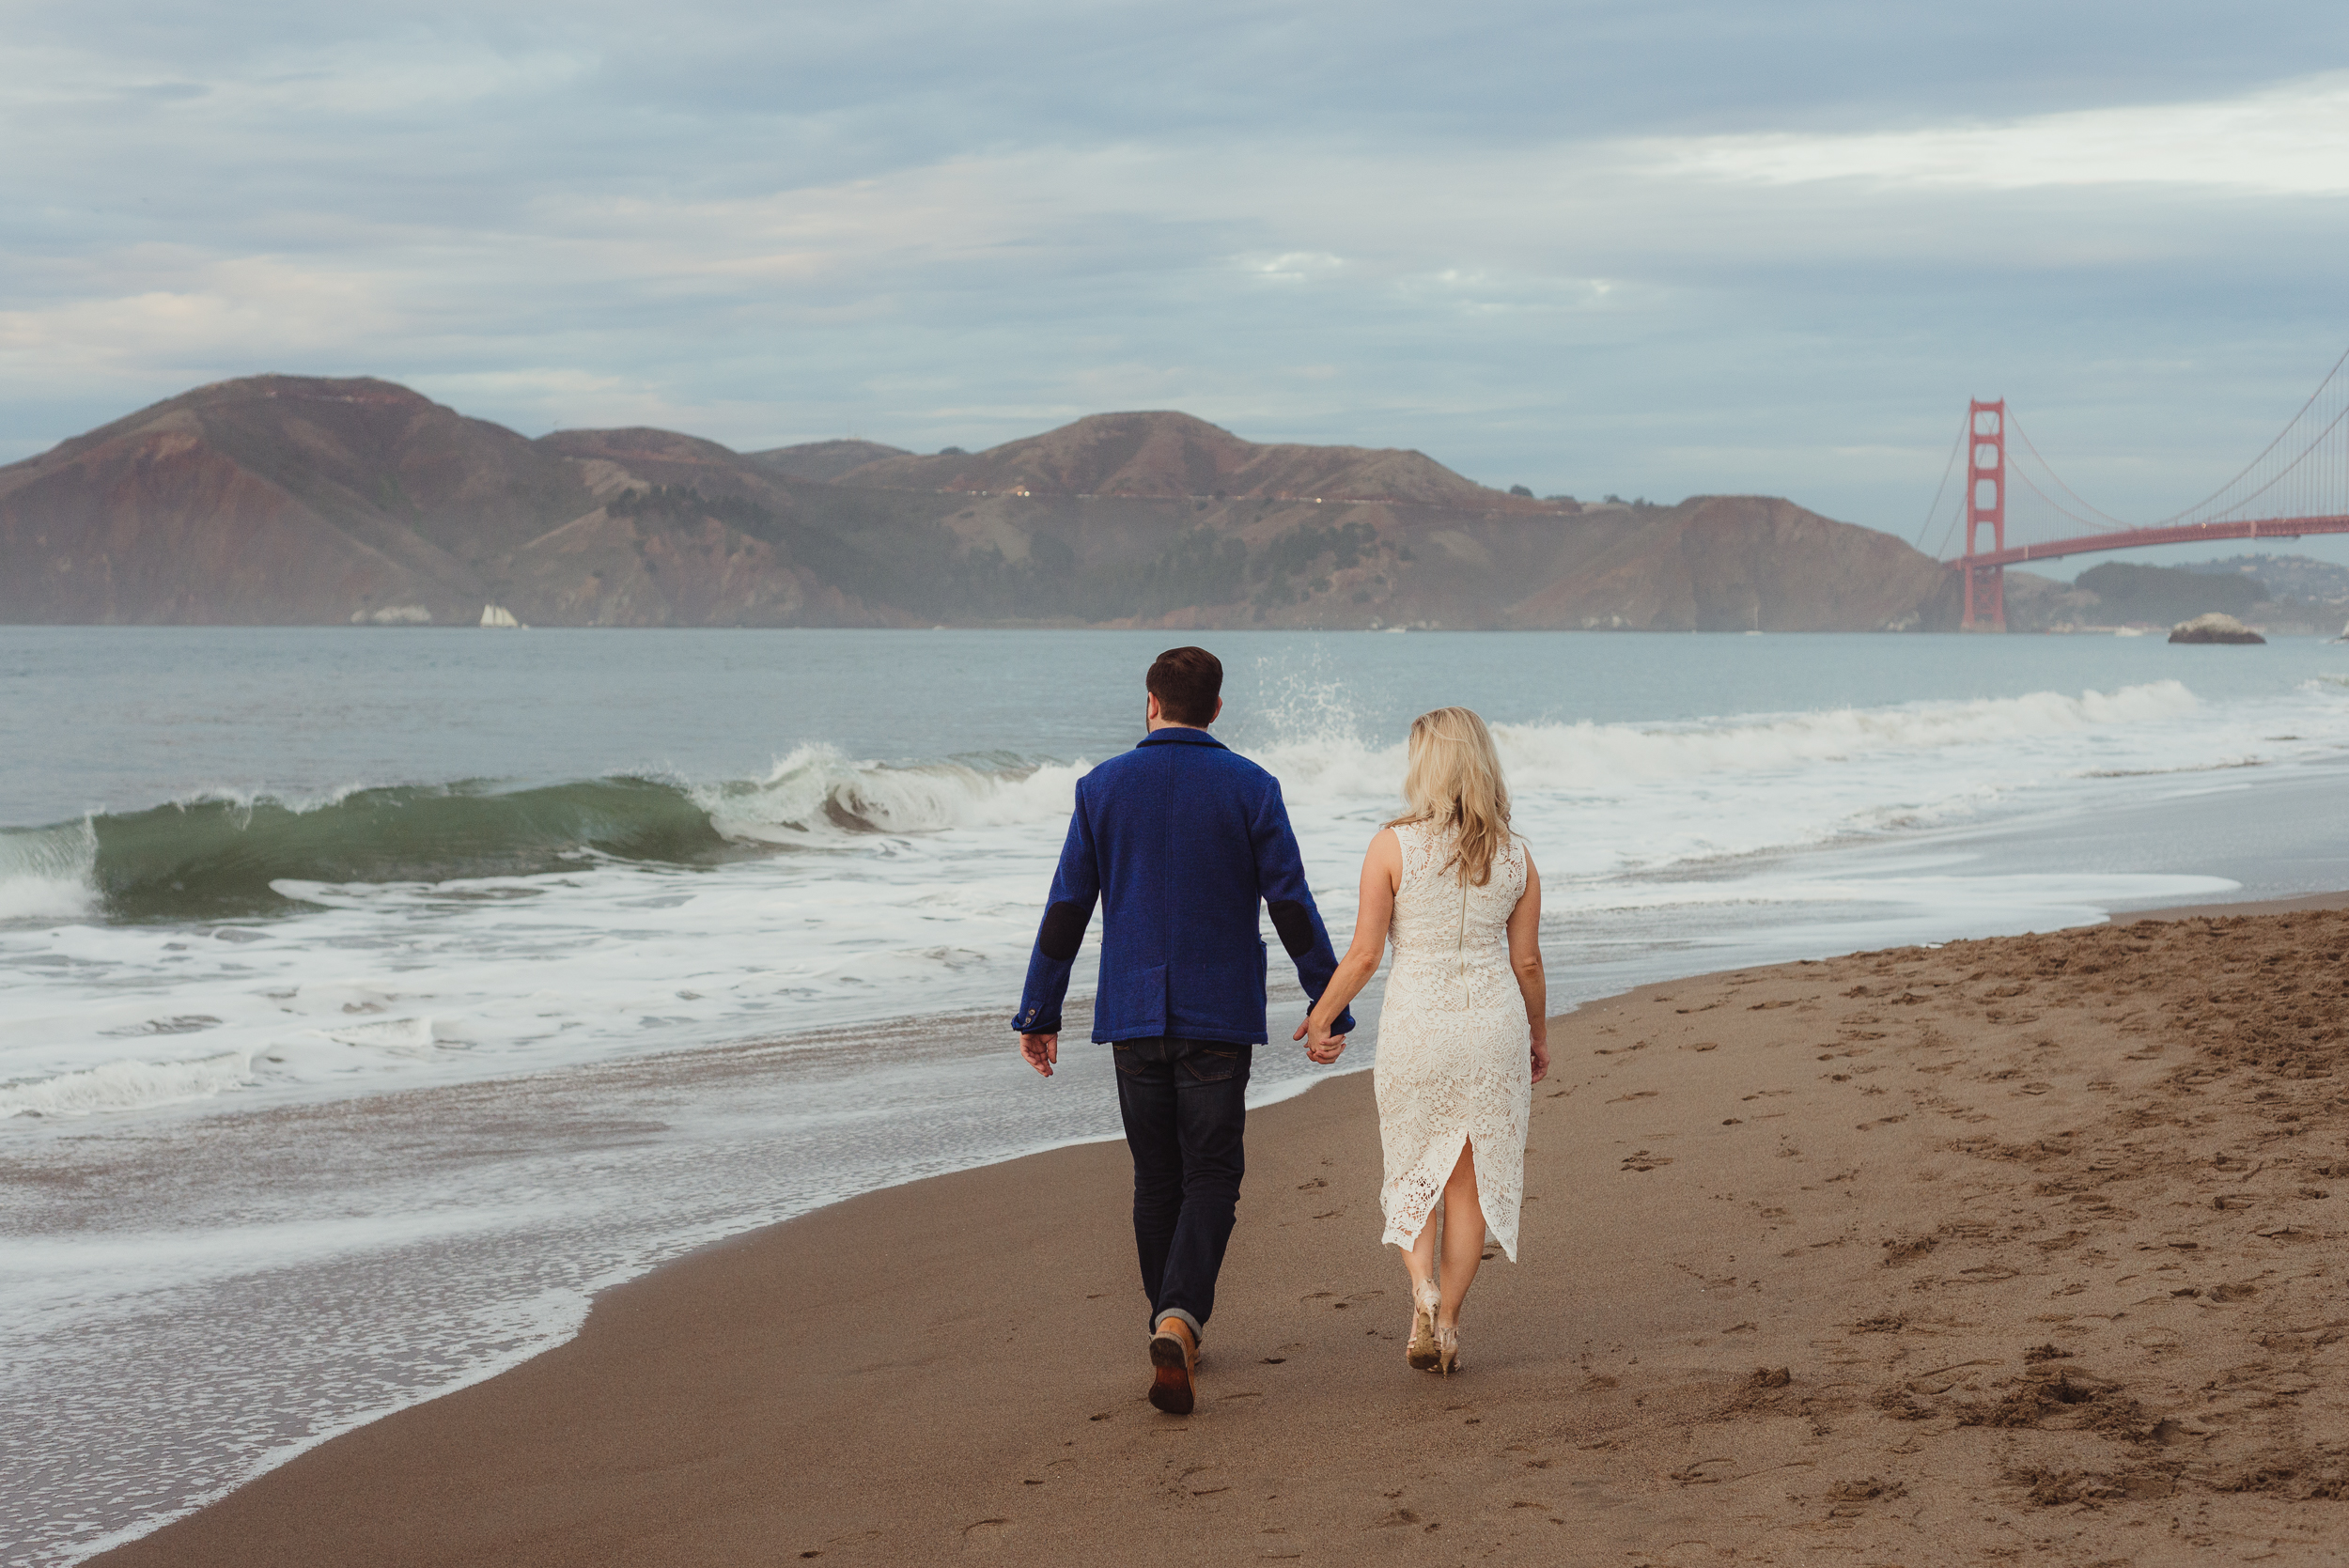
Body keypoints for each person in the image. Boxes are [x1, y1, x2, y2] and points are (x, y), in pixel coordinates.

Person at [1015, 646, 1353, 1416]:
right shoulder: (1250, 785)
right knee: (1211, 1176)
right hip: (1216, 1016)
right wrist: (1327, 999)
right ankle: (1179, 1316)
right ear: (1218, 709)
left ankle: (1171, 1319)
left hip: (1132, 1014)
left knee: (1156, 1176)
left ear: (1150, 703)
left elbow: (1068, 906)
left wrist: (1040, 1011)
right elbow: (1289, 901)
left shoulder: (1101, 787)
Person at [1299, 706, 1548, 1375]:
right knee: (1469, 1189)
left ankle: (1422, 1292)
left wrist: (1323, 1014)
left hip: (1419, 1026)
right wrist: (1539, 1034)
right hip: (1494, 1026)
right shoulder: (1517, 855)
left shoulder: (1392, 844)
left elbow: (1363, 953)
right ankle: (1453, 1323)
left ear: (1425, 766)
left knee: (1414, 1169)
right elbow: (1527, 962)